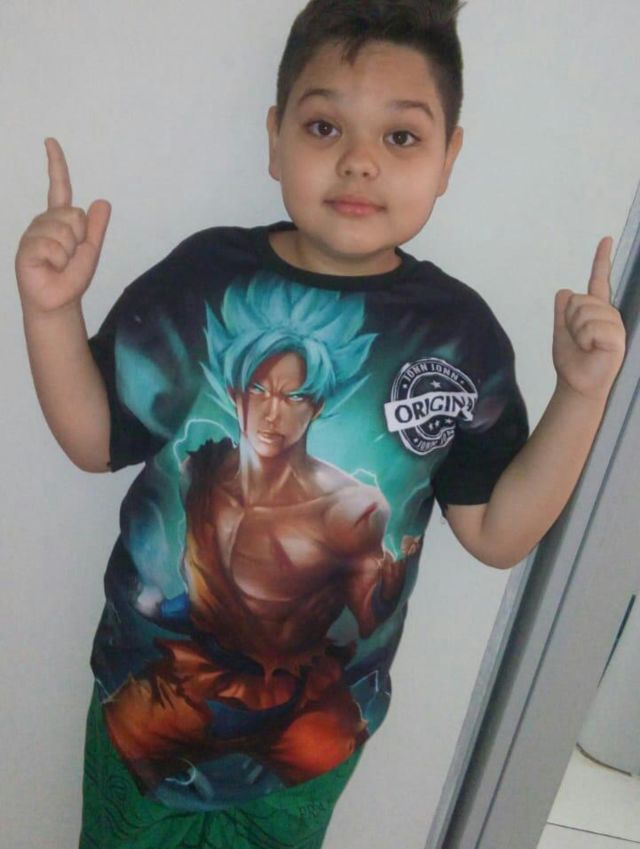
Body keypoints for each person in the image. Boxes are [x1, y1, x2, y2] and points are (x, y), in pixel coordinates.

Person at [15, 1, 626, 848]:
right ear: (275, 139)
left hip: (306, 747)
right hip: (147, 715)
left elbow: (496, 532)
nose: (359, 161)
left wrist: (583, 393)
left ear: (449, 157)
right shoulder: (201, 282)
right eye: (324, 126)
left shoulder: (457, 340)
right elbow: (93, 440)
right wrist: (50, 311)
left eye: (401, 136)